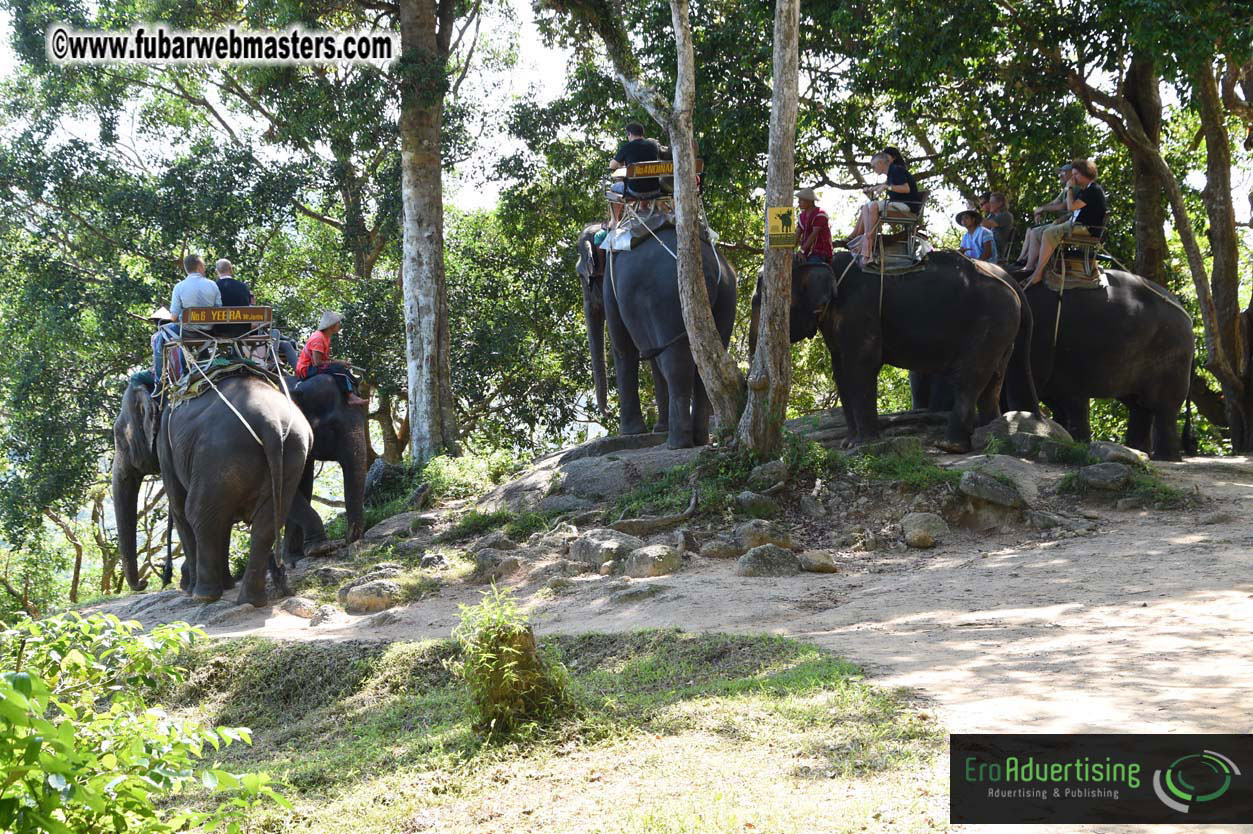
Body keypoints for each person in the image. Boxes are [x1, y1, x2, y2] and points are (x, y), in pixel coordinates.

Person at [1024, 158, 1106, 287]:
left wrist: (1070, 189)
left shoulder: (1093, 190)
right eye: (1072, 175)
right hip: (1076, 225)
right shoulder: (1086, 190)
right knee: (1037, 231)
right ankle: (1030, 268)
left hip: (1086, 228)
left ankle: (1038, 274)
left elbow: (1070, 207)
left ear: (1086, 174)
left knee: (1049, 233)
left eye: (1075, 174)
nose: (1073, 178)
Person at [152, 254, 221, 395]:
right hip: (209, 330)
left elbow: (174, 316)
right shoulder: (212, 285)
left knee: (159, 336)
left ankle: (159, 381)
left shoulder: (179, 287)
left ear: (186, 269)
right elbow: (219, 309)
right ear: (200, 267)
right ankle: (203, 357)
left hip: (188, 331)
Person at [846, 148, 922, 262]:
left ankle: (867, 247)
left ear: (880, 163)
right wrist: (871, 189)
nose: (873, 169)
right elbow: (883, 186)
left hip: (907, 206)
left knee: (873, 206)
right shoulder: (891, 173)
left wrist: (887, 187)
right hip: (898, 204)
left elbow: (906, 189)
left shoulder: (897, 170)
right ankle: (860, 239)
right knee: (867, 206)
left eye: (873, 166)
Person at [296, 311, 367, 406]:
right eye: (338, 323)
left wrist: (340, 362)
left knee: (340, 368)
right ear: (331, 326)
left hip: (313, 365)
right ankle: (351, 397)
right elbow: (317, 362)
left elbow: (323, 358)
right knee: (340, 371)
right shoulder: (318, 339)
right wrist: (338, 364)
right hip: (307, 369)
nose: (340, 325)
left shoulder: (325, 337)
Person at [1009, 164, 1073, 269]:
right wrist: (1040, 209)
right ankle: (1021, 260)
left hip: (1067, 221)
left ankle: (1029, 265)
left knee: (1035, 231)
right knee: (1030, 229)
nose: (1060, 175)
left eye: (1063, 172)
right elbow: (1055, 202)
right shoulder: (1066, 188)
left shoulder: (1073, 187)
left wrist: (1043, 209)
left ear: (1072, 173)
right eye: (1060, 173)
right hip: (1061, 221)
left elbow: (1063, 206)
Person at [608, 122, 664, 222]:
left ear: (629, 134)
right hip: (655, 189)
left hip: (634, 191)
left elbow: (612, 166)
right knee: (645, 180)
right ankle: (643, 206)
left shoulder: (628, 147)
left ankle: (614, 221)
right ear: (642, 134)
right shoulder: (653, 146)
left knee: (613, 189)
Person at [794, 187, 833, 264]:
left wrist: (802, 250)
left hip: (820, 252)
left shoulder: (820, 214)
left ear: (810, 201)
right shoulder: (801, 216)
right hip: (805, 253)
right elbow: (797, 234)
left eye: (801, 200)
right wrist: (789, 249)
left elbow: (814, 234)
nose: (798, 202)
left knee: (812, 269)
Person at [979, 192, 1014, 262]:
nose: (990, 205)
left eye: (992, 203)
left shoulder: (1005, 215)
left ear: (1000, 203)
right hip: (989, 249)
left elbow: (985, 225)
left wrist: (973, 212)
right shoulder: (993, 216)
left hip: (996, 252)